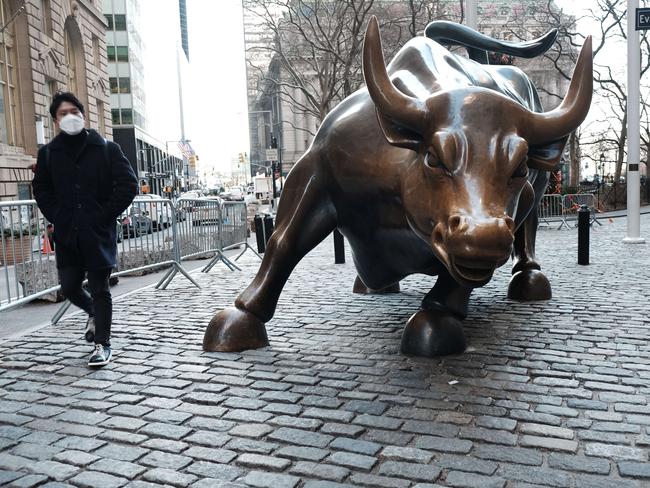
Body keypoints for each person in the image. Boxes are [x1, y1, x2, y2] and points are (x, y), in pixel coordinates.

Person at [32, 92, 137, 367]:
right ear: (55, 120)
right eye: (62, 113)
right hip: (67, 234)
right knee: (69, 286)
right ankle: (92, 312)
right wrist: (56, 215)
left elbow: (129, 185)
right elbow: (41, 189)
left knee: (100, 288)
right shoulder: (48, 154)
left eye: (73, 111)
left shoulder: (106, 148)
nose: (69, 116)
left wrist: (104, 215)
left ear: (83, 114)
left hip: (97, 233)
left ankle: (102, 344)